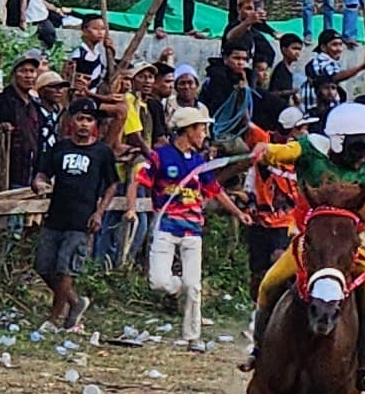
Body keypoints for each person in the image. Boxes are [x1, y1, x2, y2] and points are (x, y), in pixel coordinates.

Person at [138, 100, 224, 345]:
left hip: (193, 230)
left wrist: (238, 214)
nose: (204, 135)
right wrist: (132, 208)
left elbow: (215, 189)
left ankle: (192, 337)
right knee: (159, 282)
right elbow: (139, 180)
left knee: (194, 285)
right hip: (165, 227)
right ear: (189, 130)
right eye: (201, 129)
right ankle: (180, 290)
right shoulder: (161, 156)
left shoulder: (199, 161)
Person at [36, 102, 119, 329]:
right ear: (71, 121)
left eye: (89, 120)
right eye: (80, 118)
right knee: (43, 266)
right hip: (55, 216)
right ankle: (75, 302)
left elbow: (112, 185)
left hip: (82, 220)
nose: (84, 124)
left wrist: (99, 212)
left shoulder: (102, 152)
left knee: (66, 268)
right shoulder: (60, 148)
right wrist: (39, 183)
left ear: (95, 125)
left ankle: (54, 319)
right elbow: (43, 173)